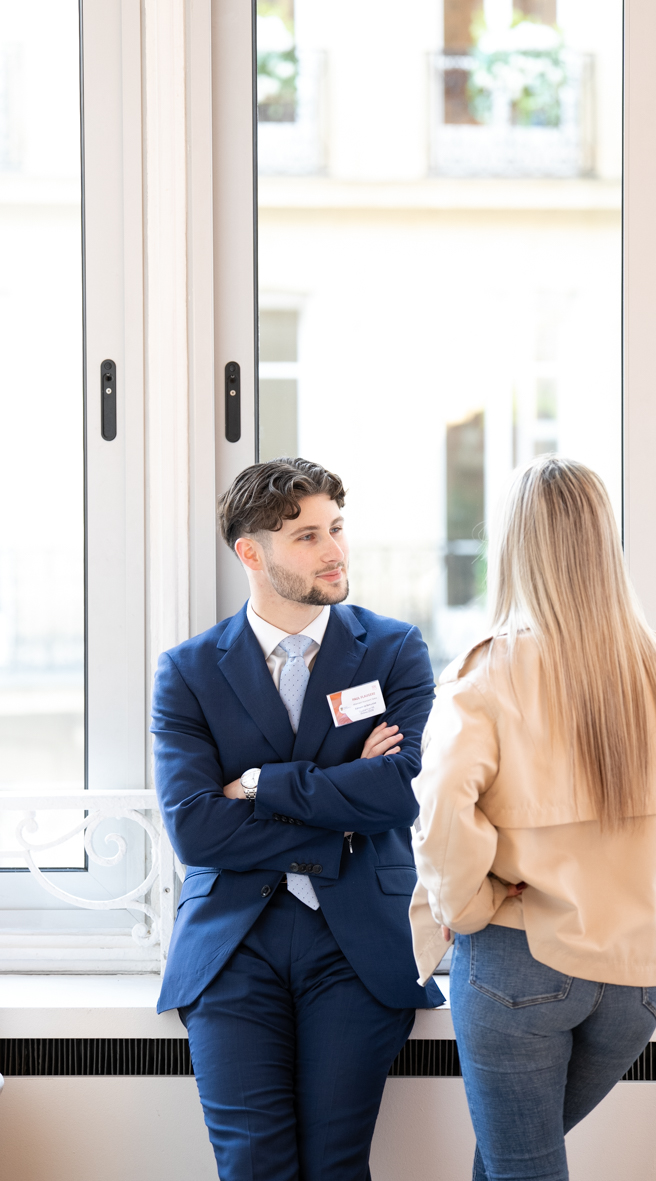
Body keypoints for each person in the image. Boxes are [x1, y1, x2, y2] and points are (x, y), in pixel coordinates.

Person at [152, 457, 443, 1181]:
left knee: (335, 1165)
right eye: (307, 536)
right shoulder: (187, 670)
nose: (334, 550)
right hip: (232, 943)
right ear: (251, 553)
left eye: (336, 528)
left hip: (357, 941)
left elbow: (401, 792)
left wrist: (256, 783)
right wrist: (344, 802)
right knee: (253, 1166)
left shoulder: (394, 650)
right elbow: (195, 829)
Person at [409, 456, 656, 1181]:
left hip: (522, 961)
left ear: (513, 545)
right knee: (511, 1163)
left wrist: (468, 907)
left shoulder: (486, 674)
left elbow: (439, 813)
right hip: (638, 975)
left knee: (520, 1166)